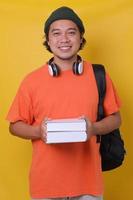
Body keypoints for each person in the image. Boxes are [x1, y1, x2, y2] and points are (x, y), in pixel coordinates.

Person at [6, 6, 121, 200]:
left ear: (81, 37)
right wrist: (38, 132)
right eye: (56, 33)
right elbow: (14, 126)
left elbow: (116, 119)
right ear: (48, 40)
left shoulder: (98, 75)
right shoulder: (31, 81)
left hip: (88, 186)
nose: (64, 39)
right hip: (45, 186)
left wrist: (93, 128)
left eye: (71, 32)